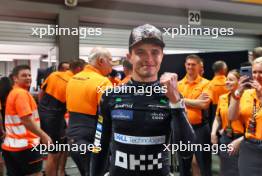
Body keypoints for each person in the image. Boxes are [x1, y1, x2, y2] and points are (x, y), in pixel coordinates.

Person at [90, 24, 195, 176]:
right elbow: (99, 147)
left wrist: (176, 102)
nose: (149, 59)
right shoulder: (110, 96)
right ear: (129, 57)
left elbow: (187, 151)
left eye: (155, 52)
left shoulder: (172, 96)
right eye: (140, 52)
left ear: (162, 56)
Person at [66, 47, 113, 176]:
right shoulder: (103, 82)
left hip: (73, 137)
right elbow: (109, 114)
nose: (112, 64)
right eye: (110, 60)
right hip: (93, 138)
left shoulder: (73, 79)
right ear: (101, 61)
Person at [2, 65, 52, 176]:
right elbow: (27, 120)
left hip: (12, 146)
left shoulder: (13, 93)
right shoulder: (21, 94)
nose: (28, 77)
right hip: (26, 146)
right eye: (24, 75)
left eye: (29, 75)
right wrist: (44, 136)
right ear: (15, 78)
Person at [38, 59, 85, 176]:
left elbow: (41, 93)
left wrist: (42, 110)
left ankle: (60, 172)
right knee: (54, 153)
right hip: (54, 117)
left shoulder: (54, 75)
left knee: (62, 146)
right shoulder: (74, 81)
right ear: (79, 69)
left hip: (47, 114)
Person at [228, 56, 262, 176]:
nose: (257, 76)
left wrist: (261, 97)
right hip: (250, 147)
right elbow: (232, 117)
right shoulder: (247, 94)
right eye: (254, 72)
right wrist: (238, 93)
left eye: (261, 72)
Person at [177, 54, 211, 176]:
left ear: (199, 66)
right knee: (184, 164)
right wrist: (196, 101)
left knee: (204, 163)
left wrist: (181, 100)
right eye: (188, 64)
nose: (190, 67)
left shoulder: (206, 84)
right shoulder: (179, 84)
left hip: (200, 129)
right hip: (183, 129)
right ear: (185, 65)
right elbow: (174, 103)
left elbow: (204, 105)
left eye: (193, 64)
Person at [211, 69, 244, 176]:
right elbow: (217, 117)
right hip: (226, 138)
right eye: (227, 79)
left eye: (231, 80)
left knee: (240, 170)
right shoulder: (223, 98)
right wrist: (213, 132)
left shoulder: (247, 97)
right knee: (225, 171)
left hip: (242, 139)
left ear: (239, 82)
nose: (227, 82)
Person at [204, 60, 229, 128]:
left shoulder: (209, 84)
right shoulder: (230, 83)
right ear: (224, 69)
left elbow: (205, 102)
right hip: (229, 112)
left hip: (215, 114)